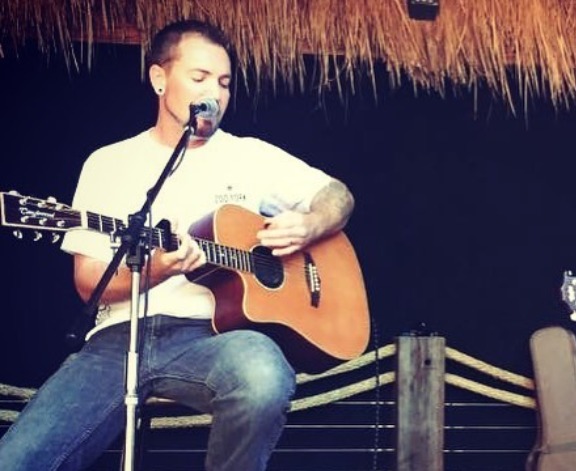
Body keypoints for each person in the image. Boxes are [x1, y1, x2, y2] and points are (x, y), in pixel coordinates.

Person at [0, 19, 354, 471]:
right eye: (200, 77)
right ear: (159, 79)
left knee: (263, 372)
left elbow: (338, 195)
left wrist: (310, 224)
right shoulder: (109, 163)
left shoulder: (251, 156)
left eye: (224, 82)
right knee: (17, 460)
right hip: (118, 338)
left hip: (214, 336)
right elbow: (89, 283)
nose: (215, 94)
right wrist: (159, 268)